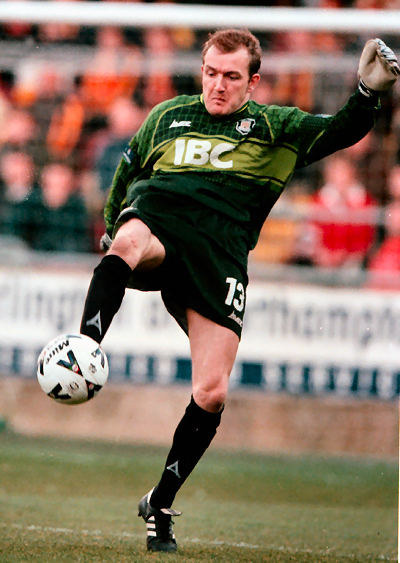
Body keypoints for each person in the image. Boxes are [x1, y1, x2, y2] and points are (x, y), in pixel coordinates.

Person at [78, 30, 399, 553]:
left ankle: (159, 502)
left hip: (219, 256)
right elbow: (128, 168)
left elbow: (341, 130)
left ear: (253, 81)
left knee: (212, 392)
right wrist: (114, 222)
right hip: (160, 221)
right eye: (210, 73)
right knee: (128, 240)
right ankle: (84, 347)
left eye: (231, 76)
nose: (218, 85)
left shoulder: (274, 126)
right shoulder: (167, 115)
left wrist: (367, 93)